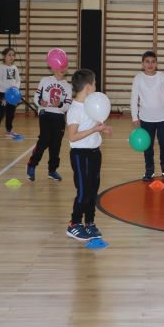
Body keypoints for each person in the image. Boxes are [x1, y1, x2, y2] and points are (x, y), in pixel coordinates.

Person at [65, 69, 111, 241]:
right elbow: (72, 136)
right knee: (83, 191)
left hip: (94, 153)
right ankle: (74, 224)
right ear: (88, 87)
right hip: (80, 155)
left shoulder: (90, 105)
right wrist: (93, 130)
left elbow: (93, 123)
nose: (96, 87)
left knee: (93, 189)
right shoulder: (74, 110)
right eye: (95, 84)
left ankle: (89, 222)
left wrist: (103, 128)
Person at [131, 51, 164, 181]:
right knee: (148, 147)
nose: (150, 64)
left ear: (156, 63)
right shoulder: (138, 78)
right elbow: (134, 98)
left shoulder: (162, 77)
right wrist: (135, 117)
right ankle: (149, 171)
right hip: (146, 119)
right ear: (142, 64)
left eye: (153, 61)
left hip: (163, 118)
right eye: (147, 61)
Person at [26, 63, 72, 181]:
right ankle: (32, 165)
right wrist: (40, 102)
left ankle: (52, 170)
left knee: (56, 144)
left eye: (65, 66)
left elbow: (67, 106)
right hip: (45, 113)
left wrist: (60, 104)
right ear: (53, 67)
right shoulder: (45, 80)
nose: (62, 69)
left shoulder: (68, 86)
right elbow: (36, 97)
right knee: (44, 140)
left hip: (59, 117)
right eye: (60, 66)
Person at [0, 47, 22, 140]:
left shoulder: (15, 68)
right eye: (9, 55)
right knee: (0, 113)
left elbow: (18, 80)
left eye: (13, 55)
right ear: (4, 56)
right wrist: (8, 88)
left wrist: (16, 87)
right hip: (4, 95)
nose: (11, 57)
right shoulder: (1, 67)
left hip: (13, 96)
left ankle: (9, 130)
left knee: (11, 113)